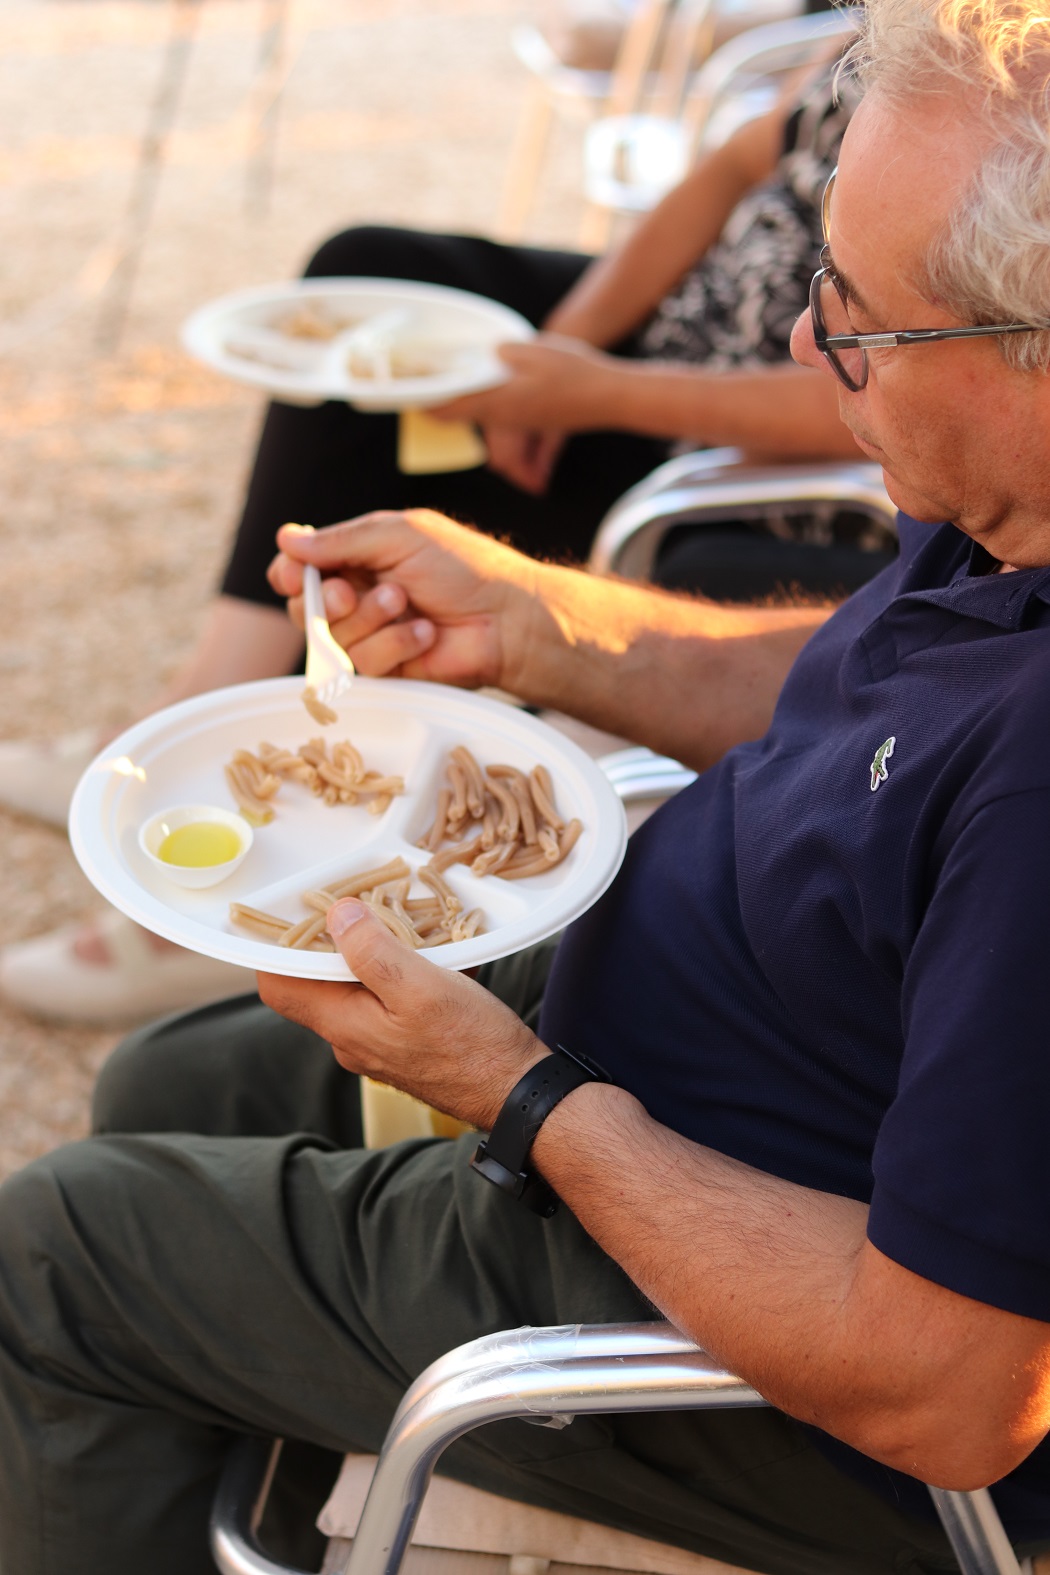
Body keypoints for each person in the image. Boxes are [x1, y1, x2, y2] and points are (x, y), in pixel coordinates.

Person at [6, 2, 1050, 1570]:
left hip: (734, 1306)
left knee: (51, 1255)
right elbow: (848, 687)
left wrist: (523, 1094)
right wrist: (551, 624)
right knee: (173, 1082)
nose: (798, 342)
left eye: (851, 318)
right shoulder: (1002, 516)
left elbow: (952, 1386)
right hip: (667, 1055)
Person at [0, 57, 877, 1029]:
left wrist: (590, 393)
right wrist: (564, 349)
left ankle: (279, 898)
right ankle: (198, 707)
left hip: (767, 460)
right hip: (678, 339)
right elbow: (734, 163)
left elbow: (883, 384)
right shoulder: (900, 40)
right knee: (367, 268)